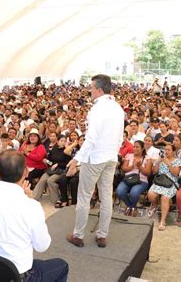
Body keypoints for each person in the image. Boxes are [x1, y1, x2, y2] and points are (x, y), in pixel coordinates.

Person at [0, 150, 69, 281]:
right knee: (62, 266)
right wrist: (31, 200)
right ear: (26, 172)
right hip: (16, 275)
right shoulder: (31, 206)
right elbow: (42, 246)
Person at [66, 74, 124, 248]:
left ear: (99, 90)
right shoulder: (118, 108)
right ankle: (102, 235)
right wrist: (112, 154)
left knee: (84, 196)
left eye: (91, 88)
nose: (89, 91)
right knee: (106, 197)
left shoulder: (97, 109)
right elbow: (120, 138)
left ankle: (78, 235)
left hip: (96, 158)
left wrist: (76, 159)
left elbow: (91, 138)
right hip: (111, 158)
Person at [147, 144, 181, 230]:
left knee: (165, 198)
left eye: (169, 150)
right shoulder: (161, 159)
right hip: (160, 181)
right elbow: (154, 172)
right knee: (151, 194)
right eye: (165, 149)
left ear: (173, 151)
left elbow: (176, 173)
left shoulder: (177, 161)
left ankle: (162, 221)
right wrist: (158, 162)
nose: (166, 151)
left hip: (171, 183)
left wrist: (169, 164)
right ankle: (155, 206)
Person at [116, 140, 152, 217]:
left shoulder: (148, 159)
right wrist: (132, 166)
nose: (135, 148)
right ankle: (131, 207)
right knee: (119, 191)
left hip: (141, 181)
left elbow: (147, 173)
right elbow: (123, 169)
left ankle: (131, 208)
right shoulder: (129, 156)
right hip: (128, 179)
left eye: (137, 147)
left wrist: (140, 166)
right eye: (134, 146)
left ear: (142, 149)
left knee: (134, 193)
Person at [32, 135, 71, 206]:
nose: (63, 143)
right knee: (42, 180)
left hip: (61, 171)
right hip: (52, 169)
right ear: (58, 142)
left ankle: (56, 199)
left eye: (65, 141)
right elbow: (50, 160)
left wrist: (58, 164)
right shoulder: (55, 148)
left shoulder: (67, 150)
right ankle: (34, 198)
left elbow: (67, 164)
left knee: (50, 180)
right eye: (61, 141)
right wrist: (46, 161)